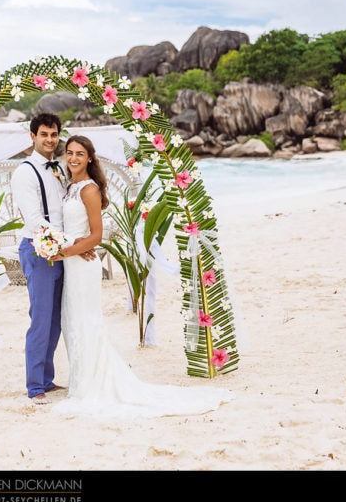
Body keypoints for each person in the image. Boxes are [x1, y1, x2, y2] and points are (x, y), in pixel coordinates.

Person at [48, 134, 233, 418]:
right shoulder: (70, 186)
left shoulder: (89, 190)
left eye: (79, 154)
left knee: (86, 321)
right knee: (73, 320)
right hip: (73, 262)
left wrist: (64, 253)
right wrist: (62, 246)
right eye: (70, 153)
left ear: (89, 159)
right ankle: (80, 381)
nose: (73, 158)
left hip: (82, 265)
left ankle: (91, 385)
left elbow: (96, 236)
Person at [10, 113, 94, 405]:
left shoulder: (58, 168)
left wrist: (77, 244)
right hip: (39, 249)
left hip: (61, 251)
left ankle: (47, 378)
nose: (50, 140)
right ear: (32, 136)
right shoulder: (24, 172)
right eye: (44, 134)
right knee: (41, 318)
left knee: (56, 319)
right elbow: (36, 221)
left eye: (54, 134)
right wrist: (75, 245)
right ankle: (35, 386)